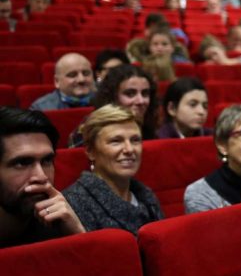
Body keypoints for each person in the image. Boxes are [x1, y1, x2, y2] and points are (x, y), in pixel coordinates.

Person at [63, 105, 164, 235]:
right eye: (116, 141)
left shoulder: (146, 195)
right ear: (90, 151)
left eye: (135, 140)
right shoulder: (74, 202)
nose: (129, 149)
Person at [0, 107, 85, 248]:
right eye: (22, 163)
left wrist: (78, 234)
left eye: (46, 161)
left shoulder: (63, 219)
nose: (41, 176)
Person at [72, 65, 159, 146]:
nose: (140, 101)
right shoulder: (89, 130)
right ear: (112, 97)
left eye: (145, 94)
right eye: (130, 94)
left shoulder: (151, 125)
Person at [29, 53, 96, 110]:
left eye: (86, 73)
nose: (81, 79)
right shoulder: (42, 108)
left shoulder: (102, 101)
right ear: (57, 81)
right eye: (72, 75)